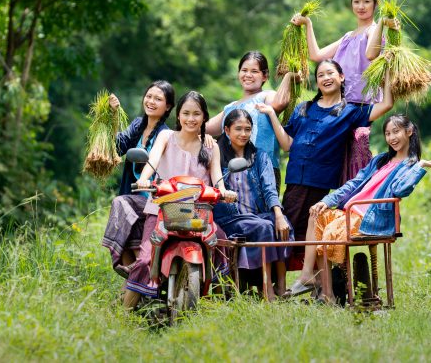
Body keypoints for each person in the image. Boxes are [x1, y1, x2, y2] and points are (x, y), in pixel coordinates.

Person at [286, 114, 431, 302]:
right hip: (351, 211)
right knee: (316, 215)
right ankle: (318, 286)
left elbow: (400, 190)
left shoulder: (410, 166)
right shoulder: (380, 161)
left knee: (330, 230)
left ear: (409, 132)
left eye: (396, 132)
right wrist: (326, 201)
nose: (392, 138)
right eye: (387, 133)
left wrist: (420, 166)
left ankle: (326, 290)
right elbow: (353, 184)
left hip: (371, 218)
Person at [256, 59, 394, 269]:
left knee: (309, 228)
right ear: (317, 82)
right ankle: (296, 280)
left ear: (341, 77)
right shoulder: (304, 108)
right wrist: (272, 115)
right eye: (320, 75)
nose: (325, 78)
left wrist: (386, 73)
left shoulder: (351, 111)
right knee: (289, 227)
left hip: (320, 181)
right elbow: (287, 144)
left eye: (330, 73)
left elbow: (386, 105)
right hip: (295, 177)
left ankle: (312, 280)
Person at [126, 91, 236, 309]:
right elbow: (152, 161)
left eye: (196, 114)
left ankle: (219, 303)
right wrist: (145, 180)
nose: (191, 119)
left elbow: (217, 177)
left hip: (197, 213)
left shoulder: (210, 145)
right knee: (146, 258)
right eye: (186, 113)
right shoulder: (166, 137)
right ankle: (124, 313)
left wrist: (224, 191)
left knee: (223, 246)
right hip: (163, 209)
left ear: (204, 117)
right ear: (178, 116)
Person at [291, 0, 400, 183]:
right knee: (335, 159)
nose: (361, 6)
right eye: (356, 1)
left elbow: (370, 53)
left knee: (356, 155)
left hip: (360, 106)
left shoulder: (373, 31)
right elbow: (316, 55)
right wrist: (308, 24)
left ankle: (358, 201)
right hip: (340, 106)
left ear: (375, 4)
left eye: (366, 1)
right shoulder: (349, 36)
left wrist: (383, 23)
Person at [215, 109, 294, 300]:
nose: (243, 134)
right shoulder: (217, 156)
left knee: (284, 226)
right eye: (238, 129)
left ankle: (282, 287)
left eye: (247, 129)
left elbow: (269, 188)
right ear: (227, 130)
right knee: (264, 227)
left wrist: (278, 214)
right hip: (230, 217)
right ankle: (266, 289)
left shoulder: (260, 157)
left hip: (257, 214)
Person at [101, 80, 174, 282]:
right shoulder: (137, 125)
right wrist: (114, 115)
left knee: (122, 207)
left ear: (167, 106)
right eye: (149, 96)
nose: (151, 101)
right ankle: (133, 277)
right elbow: (119, 147)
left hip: (152, 199)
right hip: (132, 194)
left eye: (158, 99)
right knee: (123, 216)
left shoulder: (166, 134)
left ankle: (137, 278)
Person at [206, 51, 300, 192]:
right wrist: (198, 107)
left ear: (265, 76)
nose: (248, 75)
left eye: (254, 71)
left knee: (263, 214)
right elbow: (204, 127)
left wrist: (288, 77)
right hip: (230, 171)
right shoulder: (230, 107)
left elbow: (280, 103)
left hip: (262, 170)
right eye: (244, 70)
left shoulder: (266, 96)